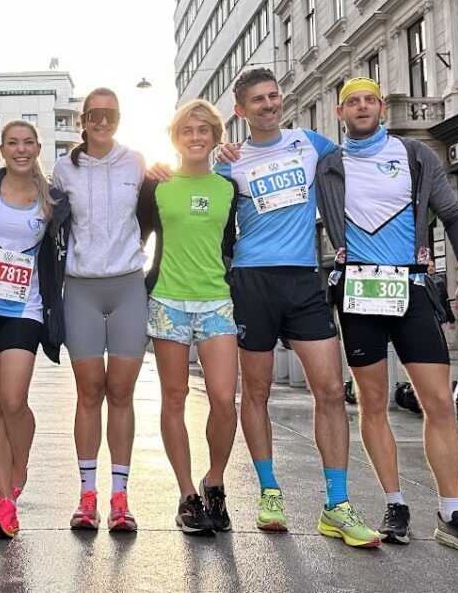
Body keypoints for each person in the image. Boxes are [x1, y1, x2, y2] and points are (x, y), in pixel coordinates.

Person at [149, 68, 381, 545]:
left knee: (332, 391)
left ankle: (337, 504)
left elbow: (360, 158)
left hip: (303, 279)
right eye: (257, 99)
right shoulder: (228, 166)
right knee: (253, 394)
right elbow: (190, 196)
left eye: (273, 96)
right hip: (250, 282)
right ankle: (268, 492)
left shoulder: (312, 144)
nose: (268, 104)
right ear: (241, 111)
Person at [317, 77, 458, 559]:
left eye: (368, 100)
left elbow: (454, 214)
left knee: (439, 401)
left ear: (381, 108)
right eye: (351, 102)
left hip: (413, 288)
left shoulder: (416, 156)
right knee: (373, 402)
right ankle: (394, 503)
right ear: (340, 114)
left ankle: (452, 512)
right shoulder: (329, 165)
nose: (361, 107)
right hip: (358, 292)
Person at [0, 120, 71, 538]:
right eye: (12, 143)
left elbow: (62, 253)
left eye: (28, 143)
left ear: (38, 148)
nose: (21, 149)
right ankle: (5, 499)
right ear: (1, 148)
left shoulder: (54, 200)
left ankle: (20, 465)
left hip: (27, 308)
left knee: (14, 401)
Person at [140, 100, 239, 535]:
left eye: (204, 130)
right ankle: (187, 495)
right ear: (175, 137)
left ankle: (214, 481)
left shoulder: (229, 188)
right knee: (174, 397)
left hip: (216, 301)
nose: (196, 136)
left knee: (222, 398)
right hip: (167, 301)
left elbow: (231, 244)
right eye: (187, 130)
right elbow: (133, 236)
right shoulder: (156, 186)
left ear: (216, 138)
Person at [52, 87, 147, 532]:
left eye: (111, 114)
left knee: (122, 394)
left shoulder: (138, 161)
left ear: (119, 117)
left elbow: (151, 214)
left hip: (128, 286)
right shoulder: (63, 169)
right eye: (95, 114)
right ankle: (87, 496)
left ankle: (120, 497)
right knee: (89, 392)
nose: (103, 121)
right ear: (83, 120)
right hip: (82, 289)